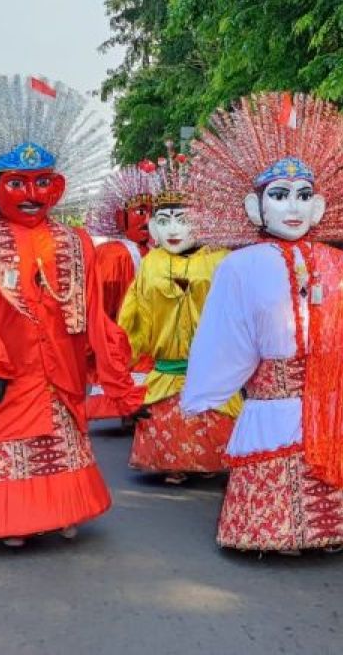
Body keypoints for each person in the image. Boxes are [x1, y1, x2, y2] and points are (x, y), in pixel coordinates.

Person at [0, 75, 144, 546]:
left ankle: (62, 510)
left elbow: (94, 308)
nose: (31, 193)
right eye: (17, 182)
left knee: (58, 443)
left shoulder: (75, 241)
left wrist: (108, 359)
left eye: (41, 182)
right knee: (7, 442)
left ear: (56, 187)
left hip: (57, 370)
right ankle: (11, 521)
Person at [181, 92, 343, 554]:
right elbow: (225, 335)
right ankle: (276, 534)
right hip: (273, 390)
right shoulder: (240, 266)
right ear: (256, 207)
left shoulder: (339, 264)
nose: (292, 207)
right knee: (277, 449)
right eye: (279, 196)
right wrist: (207, 391)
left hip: (327, 393)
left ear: (318, 206)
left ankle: (333, 530)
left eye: (303, 196)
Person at [118, 156, 236, 484]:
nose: (174, 230)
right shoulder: (152, 263)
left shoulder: (220, 260)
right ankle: (175, 465)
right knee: (169, 416)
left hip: (212, 368)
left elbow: (236, 313)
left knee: (213, 419)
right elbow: (134, 314)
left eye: (182, 220)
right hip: (166, 366)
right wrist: (121, 358)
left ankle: (211, 461)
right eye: (165, 220)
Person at [84, 162, 161, 421]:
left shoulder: (160, 252)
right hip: (124, 337)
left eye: (153, 212)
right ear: (120, 217)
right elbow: (100, 303)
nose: (148, 220)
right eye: (140, 211)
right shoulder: (113, 254)